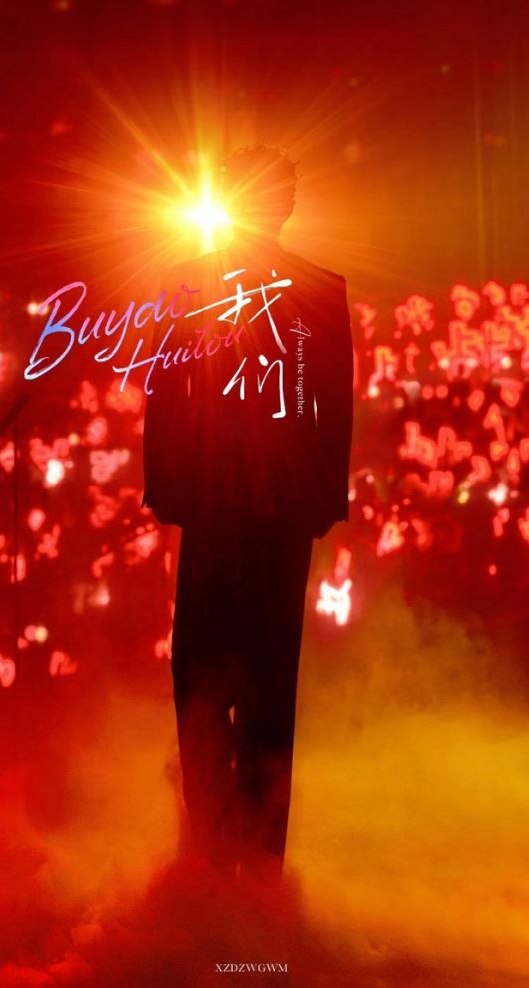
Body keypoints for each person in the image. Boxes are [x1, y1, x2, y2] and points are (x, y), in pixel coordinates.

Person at [143, 146, 353, 882]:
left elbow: (329, 403)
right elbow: (167, 393)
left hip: (248, 509)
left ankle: (237, 860)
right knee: (232, 679)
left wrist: (169, 486)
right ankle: (235, 859)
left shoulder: (211, 283)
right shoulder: (292, 288)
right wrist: (319, 501)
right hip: (245, 509)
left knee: (226, 678)